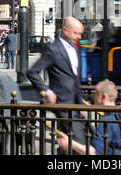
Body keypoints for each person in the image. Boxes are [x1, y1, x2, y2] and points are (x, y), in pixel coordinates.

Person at [27, 16, 88, 148]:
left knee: (74, 141)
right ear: (66, 30)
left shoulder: (74, 49)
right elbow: (32, 72)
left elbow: (73, 78)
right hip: (62, 103)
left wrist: (80, 101)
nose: (79, 37)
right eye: (76, 33)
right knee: (78, 141)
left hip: (76, 104)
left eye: (80, 34)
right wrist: (47, 91)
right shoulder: (52, 49)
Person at [56, 79, 121, 155]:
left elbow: (95, 153)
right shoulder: (120, 115)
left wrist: (70, 144)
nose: (93, 97)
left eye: (96, 94)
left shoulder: (107, 121)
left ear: (104, 96)